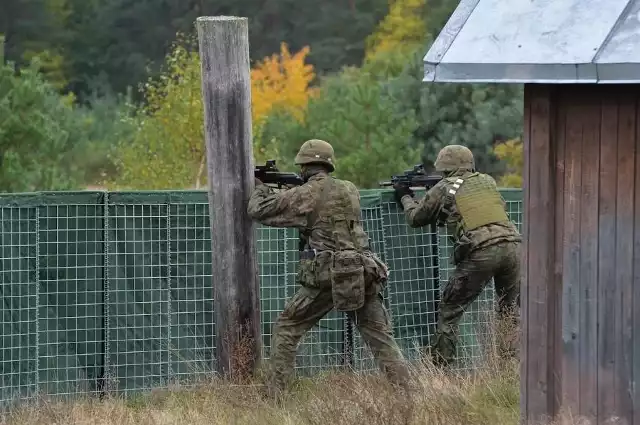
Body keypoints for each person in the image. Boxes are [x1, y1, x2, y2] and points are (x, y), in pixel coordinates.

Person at [247, 139, 411, 397]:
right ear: (328, 164)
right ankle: (409, 395)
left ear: (303, 167)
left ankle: (276, 397)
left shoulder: (306, 194)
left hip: (330, 275)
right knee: (380, 338)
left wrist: (261, 188)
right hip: (362, 270)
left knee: (287, 328)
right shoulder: (350, 189)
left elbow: (258, 210)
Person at [393, 144, 521, 367]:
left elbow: (415, 218)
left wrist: (405, 196)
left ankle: (441, 370)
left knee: (449, 311)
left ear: (444, 167)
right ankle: (510, 369)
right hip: (513, 247)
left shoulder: (443, 188)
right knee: (509, 312)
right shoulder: (487, 181)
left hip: (482, 251)